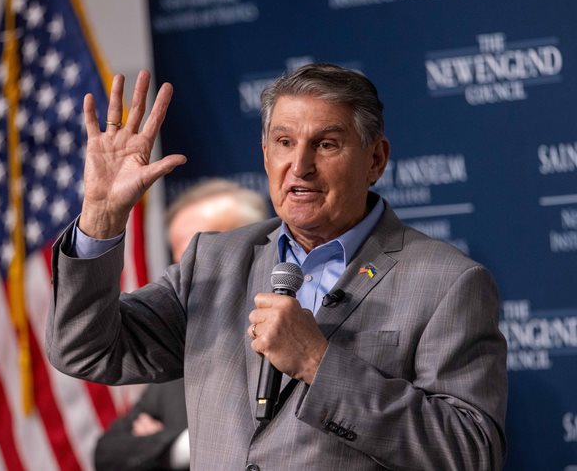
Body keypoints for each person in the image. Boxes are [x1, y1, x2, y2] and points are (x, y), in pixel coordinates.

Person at [46, 63, 507, 470]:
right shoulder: (214, 260)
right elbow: (86, 350)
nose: (300, 166)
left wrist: (318, 363)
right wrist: (101, 217)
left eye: (326, 144)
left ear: (376, 159)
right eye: (284, 142)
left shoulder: (447, 282)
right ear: (266, 155)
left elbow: (470, 452)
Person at [94, 179, 269, 470]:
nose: (185, 279)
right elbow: (109, 453)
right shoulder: (184, 355)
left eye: (202, 258)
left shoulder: (293, 346)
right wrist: (181, 446)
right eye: (180, 263)